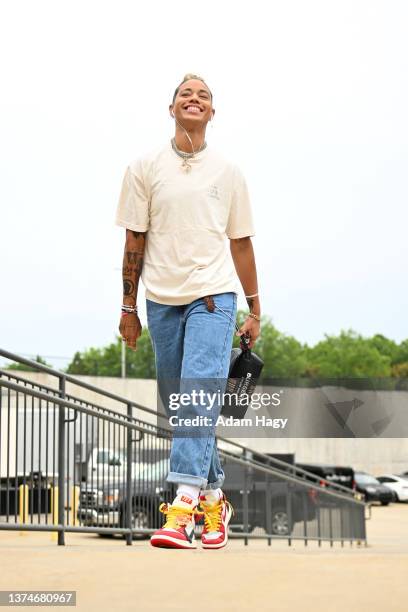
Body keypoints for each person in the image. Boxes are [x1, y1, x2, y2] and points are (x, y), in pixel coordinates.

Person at [115, 73, 261, 549]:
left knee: (196, 398)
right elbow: (134, 238)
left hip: (215, 298)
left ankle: (181, 508)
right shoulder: (144, 167)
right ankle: (216, 498)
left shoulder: (229, 172)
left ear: (212, 113)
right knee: (183, 408)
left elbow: (240, 243)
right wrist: (128, 306)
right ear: (171, 108)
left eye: (203, 96)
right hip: (161, 302)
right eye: (185, 94)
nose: (194, 99)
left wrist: (255, 307)